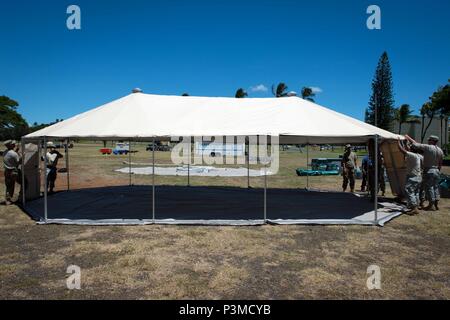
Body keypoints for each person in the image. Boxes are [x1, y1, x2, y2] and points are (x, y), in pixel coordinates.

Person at [404, 134, 444, 211]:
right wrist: (438, 170)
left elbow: (416, 144)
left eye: (429, 140)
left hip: (429, 170)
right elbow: (440, 163)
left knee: (429, 187)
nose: (428, 141)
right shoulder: (440, 150)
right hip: (436, 170)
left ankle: (431, 205)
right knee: (435, 187)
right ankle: (436, 204)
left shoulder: (428, 147)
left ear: (432, 141)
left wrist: (408, 138)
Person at [397, 139, 423, 215]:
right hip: (418, 176)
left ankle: (414, 208)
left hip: (413, 177)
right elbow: (407, 149)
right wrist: (405, 143)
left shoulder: (413, 155)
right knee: (415, 192)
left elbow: (402, 150)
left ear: (412, 150)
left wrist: (398, 143)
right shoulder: (418, 155)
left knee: (409, 191)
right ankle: (416, 206)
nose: (409, 148)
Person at [3, 140, 21, 205]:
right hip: (12, 171)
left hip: (6, 171)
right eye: (13, 144)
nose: (14, 145)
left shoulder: (5, 152)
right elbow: (19, 162)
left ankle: (8, 199)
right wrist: (22, 156)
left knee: (8, 186)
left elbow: (11, 156)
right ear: (10, 145)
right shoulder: (14, 154)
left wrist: (16, 151)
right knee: (12, 185)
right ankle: (9, 199)